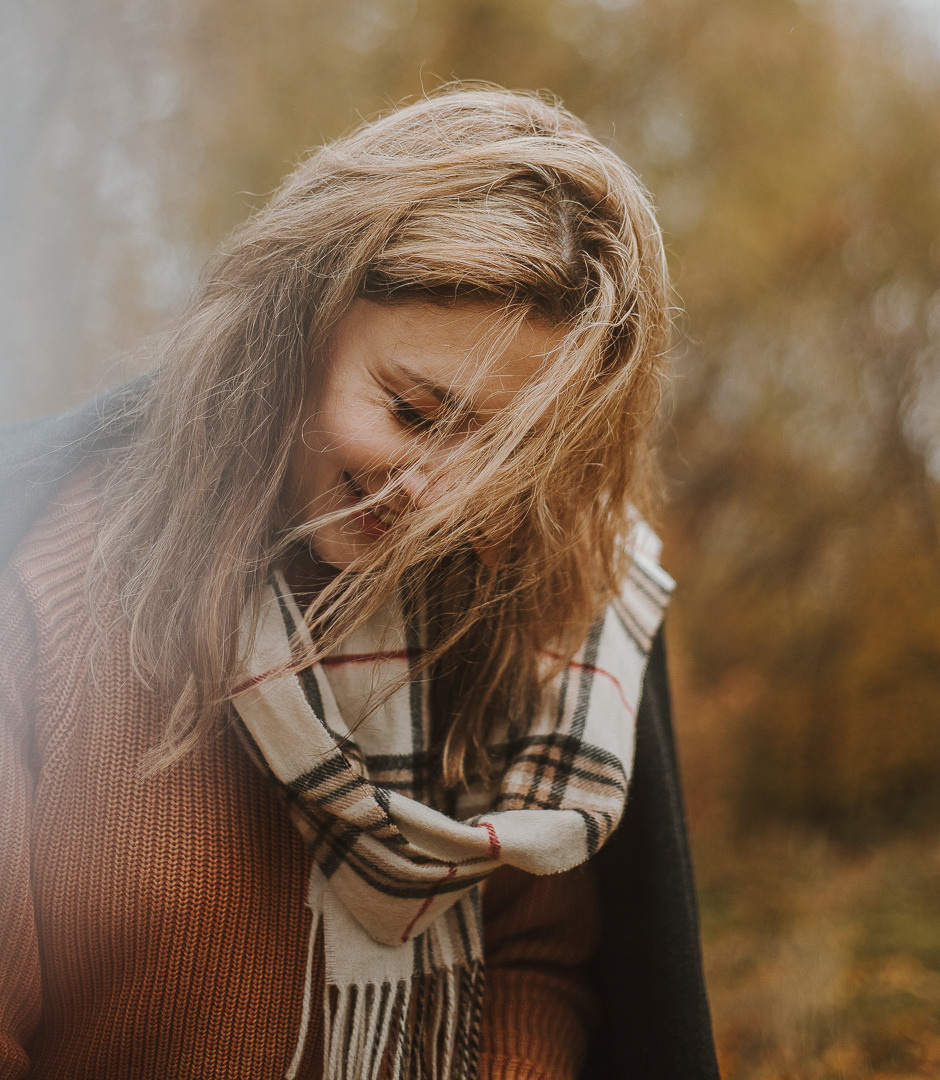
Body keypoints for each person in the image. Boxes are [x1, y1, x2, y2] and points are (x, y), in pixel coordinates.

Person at [0, 87, 719, 1080]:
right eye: (414, 412)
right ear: (298, 325)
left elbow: (536, 960)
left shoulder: (548, 604)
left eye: (505, 455)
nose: (438, 497)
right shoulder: (42, 584)